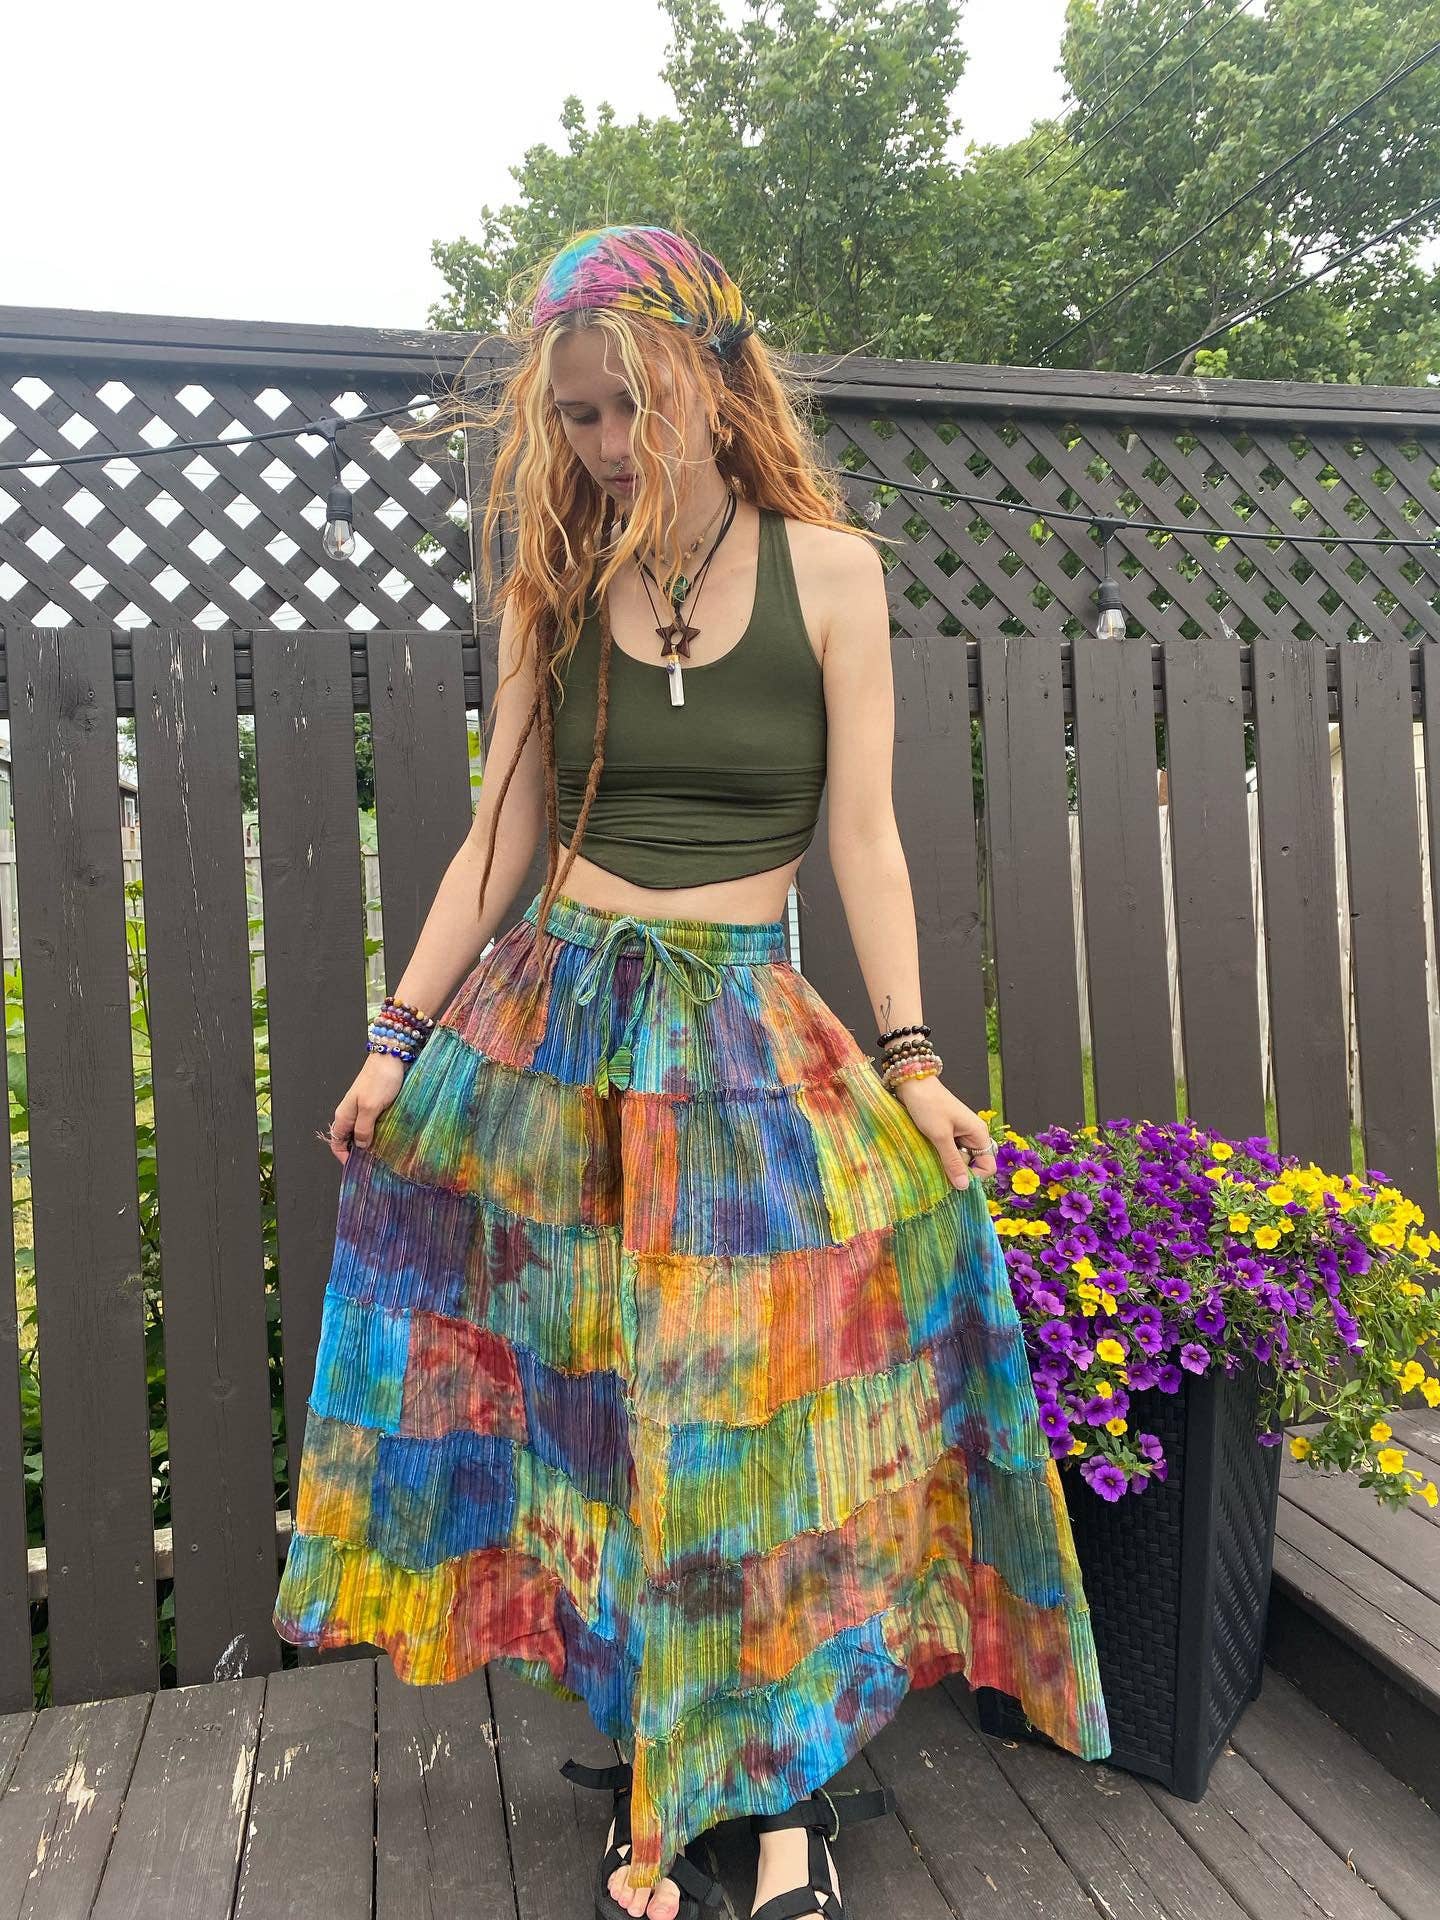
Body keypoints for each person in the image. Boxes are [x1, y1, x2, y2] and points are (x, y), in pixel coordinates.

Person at [271, 224, 1109, 1920]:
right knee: (597, 1416)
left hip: (738, 1041)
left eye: (627, 410)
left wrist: (913, 1062)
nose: (601, 444)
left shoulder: (834, 574)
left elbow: (863, 838)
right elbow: (497, 835)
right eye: (575, 415)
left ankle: (786, 1796)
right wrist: (395, 1036)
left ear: (717, 387)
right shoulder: (554, 584)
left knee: (765, 1429)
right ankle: (660, 1770)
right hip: (554, 1041)